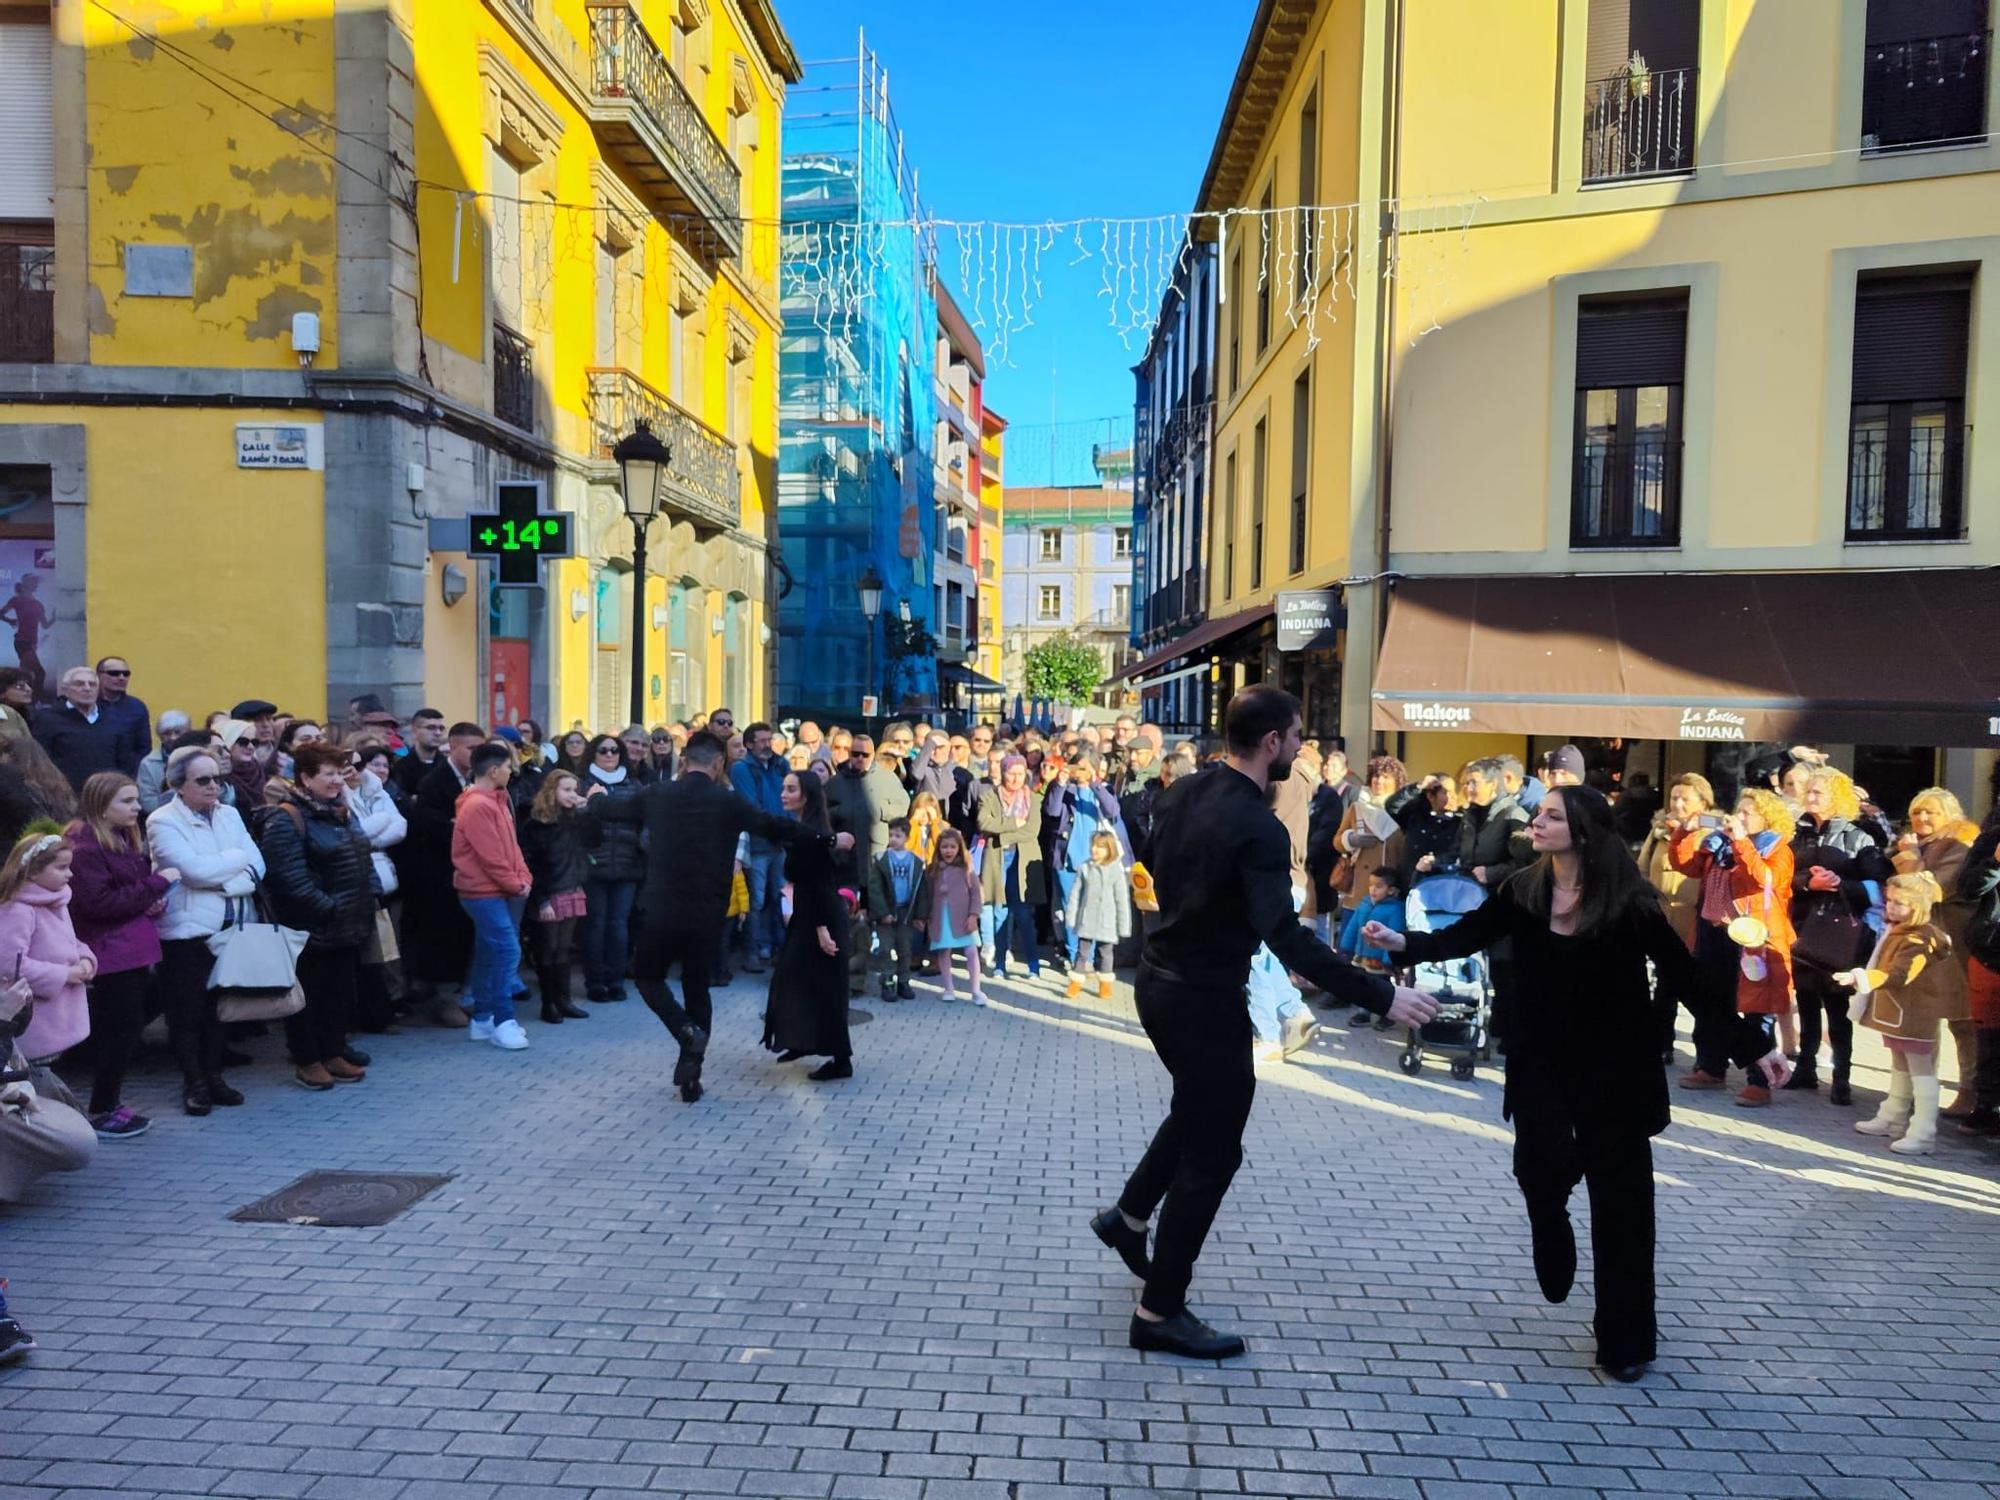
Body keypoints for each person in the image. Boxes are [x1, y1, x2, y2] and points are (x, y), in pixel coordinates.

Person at [1364, 785, 1785, 1383]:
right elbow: (1469, 935)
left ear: (1583, 830)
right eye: (1540, 814)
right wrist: (1406, 942)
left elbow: (1688, 979)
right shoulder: (1523, 890)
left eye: (1551, 816)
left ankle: (1625, 1342)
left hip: (1618, 1070)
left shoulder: (1630, 902)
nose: (1537, 822)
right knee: (1538, 1171)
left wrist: (1753, 1047)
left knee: (1625, 1210)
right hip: (1541, 1062)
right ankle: (1550, 1223)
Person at [1091, 686, 1436, 1360]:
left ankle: (1128, 1218)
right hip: (1204, 999)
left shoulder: (1183, 791)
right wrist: (1381, 996)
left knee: (1194, 1111)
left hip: (1158, 984)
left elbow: (1160, 872)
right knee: (1214, 1153)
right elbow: (1286, 936)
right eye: (1299, 734)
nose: (1302, 745)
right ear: (1273, 741)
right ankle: (1159, 1310)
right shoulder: (1259, 828)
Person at [588, 733, 848, 1103]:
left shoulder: (658, 794)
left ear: (684, 761)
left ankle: (684, 1032)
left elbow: (611, 811)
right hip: (708, 913)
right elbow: (776, 826)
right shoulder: (728, 802)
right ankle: (691, 1069)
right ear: (717, 765)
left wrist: (597, 799)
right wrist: (827, 840)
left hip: (660, 908)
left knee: (648, 977)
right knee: (697, 988)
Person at [257, 744, 378, 1092]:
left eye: (341, 773)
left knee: (340, 993)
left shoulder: (341, 811)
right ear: (306, 778)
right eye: (329, 773)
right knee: (309, 995)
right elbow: (288, 877)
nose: (338, 780)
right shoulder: (287, 817)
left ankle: (334, 1051)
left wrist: (367, 893)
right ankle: (308, 1059)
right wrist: (328, 907)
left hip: (349, 922)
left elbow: (362, 857)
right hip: (313, 926)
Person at [148, 748, 262, 1114]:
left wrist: (226, 878)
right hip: (186, 931)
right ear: (178, 784)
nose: (214, 785)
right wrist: (235, 861)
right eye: (203, 780)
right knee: (187, 1012)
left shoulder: (230, 814)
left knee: (219, 1008)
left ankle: (214, 1076)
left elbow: (258, 864)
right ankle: (194, 1082)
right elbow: (192, 871)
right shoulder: (162, 820)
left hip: (232, 923)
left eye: (217, 778)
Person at [1671, 787, 1796, 1106]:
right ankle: (1711, 1066)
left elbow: (1764, 880)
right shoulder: (1720, 844)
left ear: (1767, 818)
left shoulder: (1777, 848)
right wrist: (1685, 832)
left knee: (1757, 1008)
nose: (1738, 817)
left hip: (1752, 937)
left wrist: (1741, 841)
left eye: (1747, 813)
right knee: (1712, 1000)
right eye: (1737, 810)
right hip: (1711, 930)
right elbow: (1686, 866)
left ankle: (1759, 1080)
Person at [64, 774, 171, 1140]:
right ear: (101, 804)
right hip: (111, 953)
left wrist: (150, 901)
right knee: (119, 1031)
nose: (136, 807)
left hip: (131, 948)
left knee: (127, 1027)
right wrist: (157, 884)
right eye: (126, 801)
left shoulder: (120, 839)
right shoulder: (86, 848)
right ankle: (102, 1107)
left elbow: (124, 895)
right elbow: (98, 904)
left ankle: (108, 1103)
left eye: (135, 799)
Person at [1842, 871, 1971, 1155]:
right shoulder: (1901, 930)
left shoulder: (1919, 939)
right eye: (1889, 901)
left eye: (1899, 903)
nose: (1891, 907)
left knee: (1920, 1070)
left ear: (1918, 906)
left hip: (1915, 1014)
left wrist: (1861, 978)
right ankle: (1893, 1116)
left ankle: (1923, 1131)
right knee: (1901, 1063)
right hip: (1899, 1013)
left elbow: (1899, 975)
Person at [1786, 768, 1893, 1105]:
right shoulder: (1797, 832)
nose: (1810, 796)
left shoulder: (1858, 837)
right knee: (1805, 1000)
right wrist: (1807, 882)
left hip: (1838, 933)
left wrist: (1838, 884)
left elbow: (1879, 886)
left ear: (1837, 797)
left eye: (1818, 792)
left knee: (1835, 1005)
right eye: (1810, 791)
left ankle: (1841, 1078)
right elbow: (1783, 877)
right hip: (1803, 926)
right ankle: (1805, 1068)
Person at [1891, 787, 1981, 1116]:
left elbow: (1933, 890)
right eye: (1917, 812)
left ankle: (1969, 1092)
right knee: (1921, 1016)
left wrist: (1910, 858)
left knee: (1961, 1019)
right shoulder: (1921, 844)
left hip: (1951, 941)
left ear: (1950, 815)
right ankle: (1917, 1086)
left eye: (1931, 812)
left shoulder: (1961, 842)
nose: (1922, 818)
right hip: (1921, 940)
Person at [763, 770, 859, 1078]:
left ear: (806, 794)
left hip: (821, 915)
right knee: (793, 979)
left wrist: (821, 929)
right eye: (783, 787)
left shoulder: (814, 830)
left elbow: (820, 881)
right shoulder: (807, 829)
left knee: (827, 987)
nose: (783, 794)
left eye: (790, 789)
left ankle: (841, 1060)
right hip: (808, 913)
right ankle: (800, 1040)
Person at [0, 834, 98, 1108]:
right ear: (32, 870)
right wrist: (64, 975)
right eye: (61, 867)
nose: (70, 873)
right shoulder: (18, 909)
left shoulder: (55, 900)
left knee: (49, 1076)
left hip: (59, 1015)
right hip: (33, 1019)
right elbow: (10, 965)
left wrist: (85, 958)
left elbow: (68, 940)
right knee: (36, 1082)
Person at [452, 742, 534, 1052]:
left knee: (490, 952)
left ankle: (483, 1019)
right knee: (507, 952)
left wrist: (523, 877)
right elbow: (491, 857)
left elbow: (511, 849)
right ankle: (503, 1020)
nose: (512, 771)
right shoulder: (477, 805)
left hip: (498, 889)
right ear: (493, 770)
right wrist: (516, 884)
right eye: (509, 767)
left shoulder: (496, 800)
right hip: (481, 892)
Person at [400, 721, 483, 1024]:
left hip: (471, 871)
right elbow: (425, 824)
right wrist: (459, 827)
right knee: (442, 937)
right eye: (472, 748)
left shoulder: (479, 779)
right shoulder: (433, 781)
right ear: (455, 746)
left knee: (466, 935)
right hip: (438, 873)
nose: (478, 754)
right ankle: (444, 999)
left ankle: (463, 994)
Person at [1044, 753, 1130, 970]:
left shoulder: (1103, 789)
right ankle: (1077, 959)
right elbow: (1052, 812)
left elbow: (1113, 811)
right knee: (1069, 908)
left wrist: (1093, 784)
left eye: (1084, 768)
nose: (1079, 773)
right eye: (1077, 767)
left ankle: (1089, 957)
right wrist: (1060, 783)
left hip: (1096, 861)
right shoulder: (1064, 790)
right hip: (1067, 859)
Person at [577, 734, 644, 1004]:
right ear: (593, 753)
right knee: (595, 925)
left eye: (614, 750)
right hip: (593, 867)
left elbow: (644, 823)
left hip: (627, 866)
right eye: (603, 750)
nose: (608, 755)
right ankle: (595, 982)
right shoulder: (583, 784)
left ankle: (615, 981)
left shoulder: (635, 785)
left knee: (619, 926)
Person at [520, 769, 591, 1026]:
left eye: (575, 789)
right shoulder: (537, 824)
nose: (573, 795)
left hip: (573, 887)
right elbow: (533, 865)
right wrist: (543, 899)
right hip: (548, 892)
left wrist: (587, 812)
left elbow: (596, 840)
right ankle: (548, 1003)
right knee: (547, 949)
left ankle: (564, 1000)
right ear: (552, 791)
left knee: (564, 949)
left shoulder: (576, 819)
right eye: (567, 790)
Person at [978, 755, 1046, 981]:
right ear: (1003, 772)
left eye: (1020, 773)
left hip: (1022, 860)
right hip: (998, 859)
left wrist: (1002, 835)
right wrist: (1012, 824)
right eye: (1011, 773)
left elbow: (1032, 830)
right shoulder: (989, 796)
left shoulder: (1033, 799)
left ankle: (1033, 965)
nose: (1015, 778)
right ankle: (999, 964)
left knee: (1024, 915)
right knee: (1000, 913)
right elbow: (983, 823)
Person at [730, 722, 790, 976]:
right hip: (758, 843)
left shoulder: (780, 765)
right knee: (756, 900)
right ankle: (752, 951)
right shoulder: (742, 769)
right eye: (762, 740)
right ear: (749, 744)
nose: (767, 744)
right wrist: (778, 826)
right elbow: (751, 806)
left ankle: (779, 948)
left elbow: (789, 798)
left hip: (779, 842)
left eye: (769, 739)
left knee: (780, 897)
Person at [917, 825, 986, 1007]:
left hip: (963, 917)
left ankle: (975, 990)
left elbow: (976, 894)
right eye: (944, 847)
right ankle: (948, 988)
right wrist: (923, 917)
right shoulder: (933, 870)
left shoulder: (967, 868)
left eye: (952, 847)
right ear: (938, 849)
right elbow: (927, 895)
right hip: (941, 917)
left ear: (959, 848)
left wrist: (973, 915)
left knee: (971, 951)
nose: (948, 851)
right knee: (944, 950)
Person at [1062, 829, 1129, 1003]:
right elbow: (1075, 894)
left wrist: (1123, 926)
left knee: (1106, 953)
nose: (1095, 850)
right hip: (1087, 919)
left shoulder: (1116, 871)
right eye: (1093, 846)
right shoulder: (1085, 868)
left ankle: (1105, 983)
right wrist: (1071, 917)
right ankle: (1075, 981)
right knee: (1082, 952)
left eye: (1100, 847)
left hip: (1107, 920)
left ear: (1110, 849)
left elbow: (1122, 900)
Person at [865, 817, 924, 1002]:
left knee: (905, 949)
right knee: (886, 949)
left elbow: (922, 891)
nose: (893, 839)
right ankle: (888, 982)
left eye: (898, 835)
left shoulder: (916, 862)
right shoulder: (881, 860)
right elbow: (874, 888)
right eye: (891, 835)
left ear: (907, 837)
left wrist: (920, 915)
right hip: (887, 914)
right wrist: (882, 913)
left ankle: (904, 982)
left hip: (906, 912)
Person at [33, 667, 122, 791]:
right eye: (79, 684)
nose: (87, 688)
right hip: (65, 794)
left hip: (105, 794)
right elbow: (40, 759)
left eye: (92, 684)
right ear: (65, 690)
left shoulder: (113, 718)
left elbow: (123, 757)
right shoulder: (48, 719)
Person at [1340, 866, 1407, 975]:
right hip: (1359, 958)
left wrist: (1389, 960)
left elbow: (1395, 935)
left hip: (1379, 964)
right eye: (1370, 885)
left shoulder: (1395, 910)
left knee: (1377, 988)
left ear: (1391, 890)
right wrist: (1346, 947)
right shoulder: (1364, 904)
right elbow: (1353, 928)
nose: (1373, 889)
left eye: (1378, 886)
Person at [93, 657, 149, 775]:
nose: (121, 678)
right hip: (94, 774)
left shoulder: (137, 707)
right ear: (98, 676)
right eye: (114, 673)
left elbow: (144, 748)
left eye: (126, 674)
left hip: (126, 776)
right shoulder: (88, 705)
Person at [134, 709, 192, 812]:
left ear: (188, 732)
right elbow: (147, 802)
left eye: (178, 732)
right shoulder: (148, 763)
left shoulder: (200, 756)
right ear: (160, 736)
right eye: (167, 733)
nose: (173, 737)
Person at [0, 575, 48, 702]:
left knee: (23, 675)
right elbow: (1, 613)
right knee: (39, 673)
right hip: (22, 642)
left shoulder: (38, 604)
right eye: (34, 582)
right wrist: (10, 620)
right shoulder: (16, 600)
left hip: (32, 643)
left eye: (36, 582)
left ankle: (18, 701)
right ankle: (36, 701)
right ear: (25, 584)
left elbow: (45, 625)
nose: (36, 585)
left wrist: (55, 617)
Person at [391, 708, 448, 798]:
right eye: (431, 728)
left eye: (441, 728)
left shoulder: (448, 766)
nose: (438, 733)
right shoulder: (400, 768)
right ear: (414, 731)